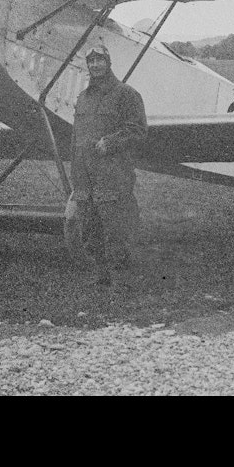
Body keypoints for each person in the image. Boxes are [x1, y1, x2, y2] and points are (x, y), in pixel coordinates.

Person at [68, 44, 148, 286]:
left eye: (100, 60)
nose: (95, 65)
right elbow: (76, 136)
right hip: (85, 174)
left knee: (116, 227)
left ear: (108, 62)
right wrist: (75, 167)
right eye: (91, 61)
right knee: (90, 228)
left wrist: (111, 142)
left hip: (113, 172)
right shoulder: (83, 97)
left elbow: (137, 130)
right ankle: (101, 276)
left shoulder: (126, 94)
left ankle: (122, 280)